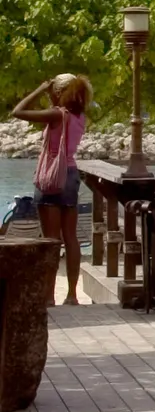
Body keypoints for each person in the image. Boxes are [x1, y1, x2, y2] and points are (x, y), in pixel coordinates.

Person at [12, 74, 92, 304]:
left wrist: (39, 89)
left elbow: (18, 111)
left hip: (52, 177)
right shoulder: (78, 116)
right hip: (70, 175)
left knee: (50, 240)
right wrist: (52, 95)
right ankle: (72, 295)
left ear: (58, 92)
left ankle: (48, 295)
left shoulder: (56, 115)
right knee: (70, 238)